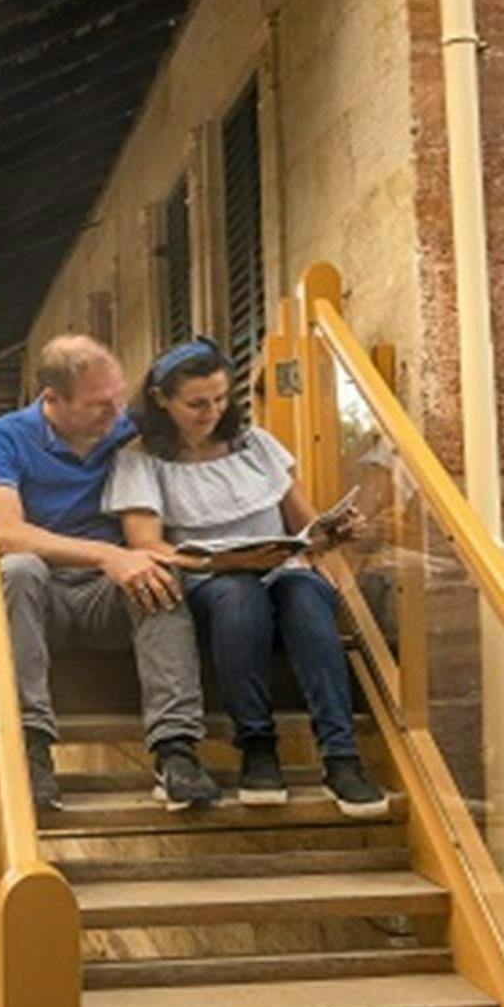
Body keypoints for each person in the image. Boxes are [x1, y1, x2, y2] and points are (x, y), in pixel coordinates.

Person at [103, 337, 391, 817]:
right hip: (206, 579)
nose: (211, 412)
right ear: (161, 400)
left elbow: (306, 525)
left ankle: (341, 758)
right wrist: (225, 563)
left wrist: (334, 531)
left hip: (279, 568)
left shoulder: (256, 445)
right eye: (197, 403)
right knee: (239, 597)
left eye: (220, 399)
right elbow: (146, 545)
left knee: (305, 593)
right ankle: (258, 748)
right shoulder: (140, 460)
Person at [0, 335, 220, 814]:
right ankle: (29, 747)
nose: (116, 416)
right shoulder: (3, 438)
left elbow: (210, 435)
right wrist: (106, 555)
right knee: (18, 568)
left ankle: (176, 751)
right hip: (39, 598)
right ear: (52, 399)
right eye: (99, 405)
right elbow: (7, 532)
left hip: (105, 597)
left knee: (157, 574)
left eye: (119, 399)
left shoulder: (125, 430)